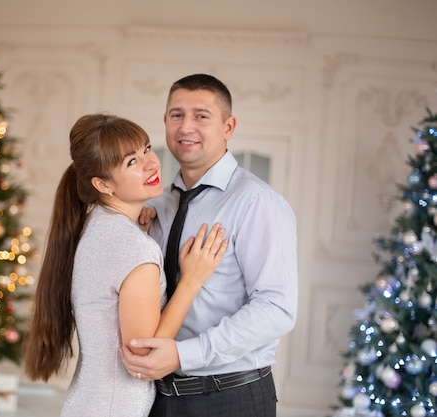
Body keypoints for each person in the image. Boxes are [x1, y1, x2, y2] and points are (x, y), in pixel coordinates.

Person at [23, 113, 228, 417]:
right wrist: (191, 281)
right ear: (102, 184)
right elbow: (144, 356)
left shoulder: (93, 225)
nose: (151, 163)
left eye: (146, 149)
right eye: (131, 162)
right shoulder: (133, 247)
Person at [120, 74, 298, 417]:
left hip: (229, 398)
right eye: (176, 115)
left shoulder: (258, 202)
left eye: (201, 116)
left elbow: (277, 308)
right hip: (154, 397)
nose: (186, 127)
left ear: (228, 127)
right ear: (165, 122)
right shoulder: (154, 206)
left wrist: (184, 355)